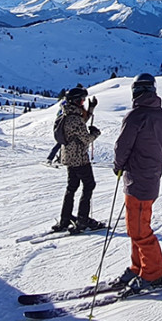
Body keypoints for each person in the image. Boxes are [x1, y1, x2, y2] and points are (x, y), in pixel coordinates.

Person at [111, 73, 162, 294]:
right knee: (135, 226)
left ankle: (153, 272)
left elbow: (122, 146)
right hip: (152, 175)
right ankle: (139, 266)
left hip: (137, 177)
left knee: (139, 229)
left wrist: (118, 165)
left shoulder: (136, 116)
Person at [53, 87, 103, 233]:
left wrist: (90, 109)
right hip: (79, 158)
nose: (82, 103)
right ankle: (83, 220)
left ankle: (65, 218)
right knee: (89, 185)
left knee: (72, 187)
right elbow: (86, 138)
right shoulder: (74, 118)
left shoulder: (66, 113)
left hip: (68, 157)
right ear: (75, 101)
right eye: (81, 100)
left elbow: (81, 121)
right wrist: (95, 133)